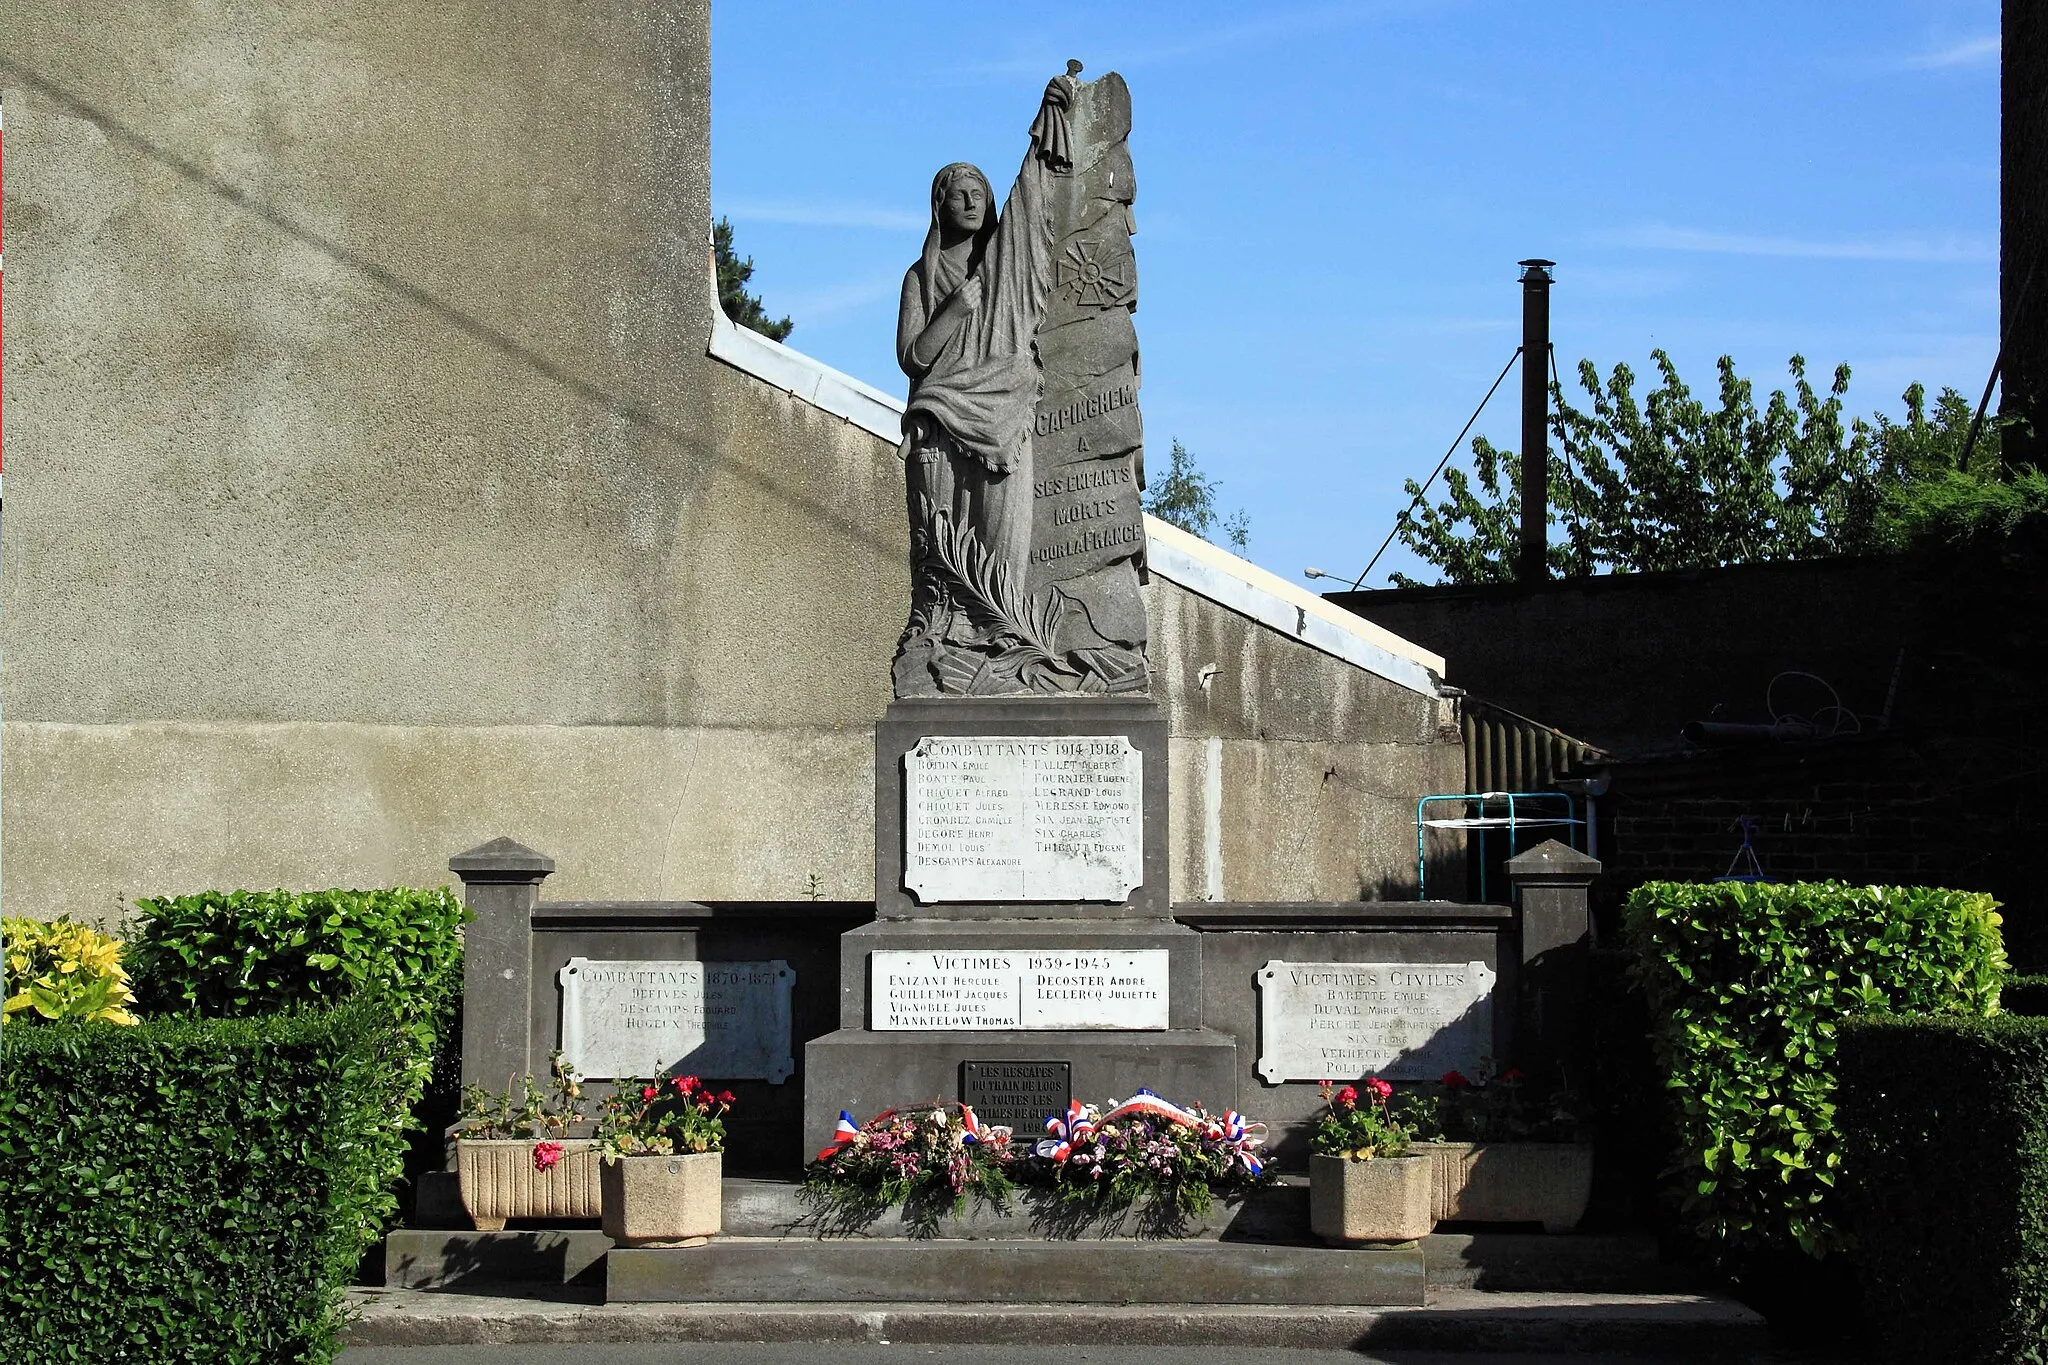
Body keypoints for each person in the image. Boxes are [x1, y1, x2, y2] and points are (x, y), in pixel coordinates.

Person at [897, 74, 1075, 601]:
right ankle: (945, 640)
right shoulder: (921, 278)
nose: (972, 199)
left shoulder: (1006, 265)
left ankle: (1003, 640)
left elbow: (1028, 202)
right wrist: (954, 310)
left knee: (1002, 552)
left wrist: (1049, 119)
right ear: (940, 206)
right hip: (940, 422)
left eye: (979, 191)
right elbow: (912, 357)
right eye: (960, 193)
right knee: (943, 559)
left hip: (1004, 413)